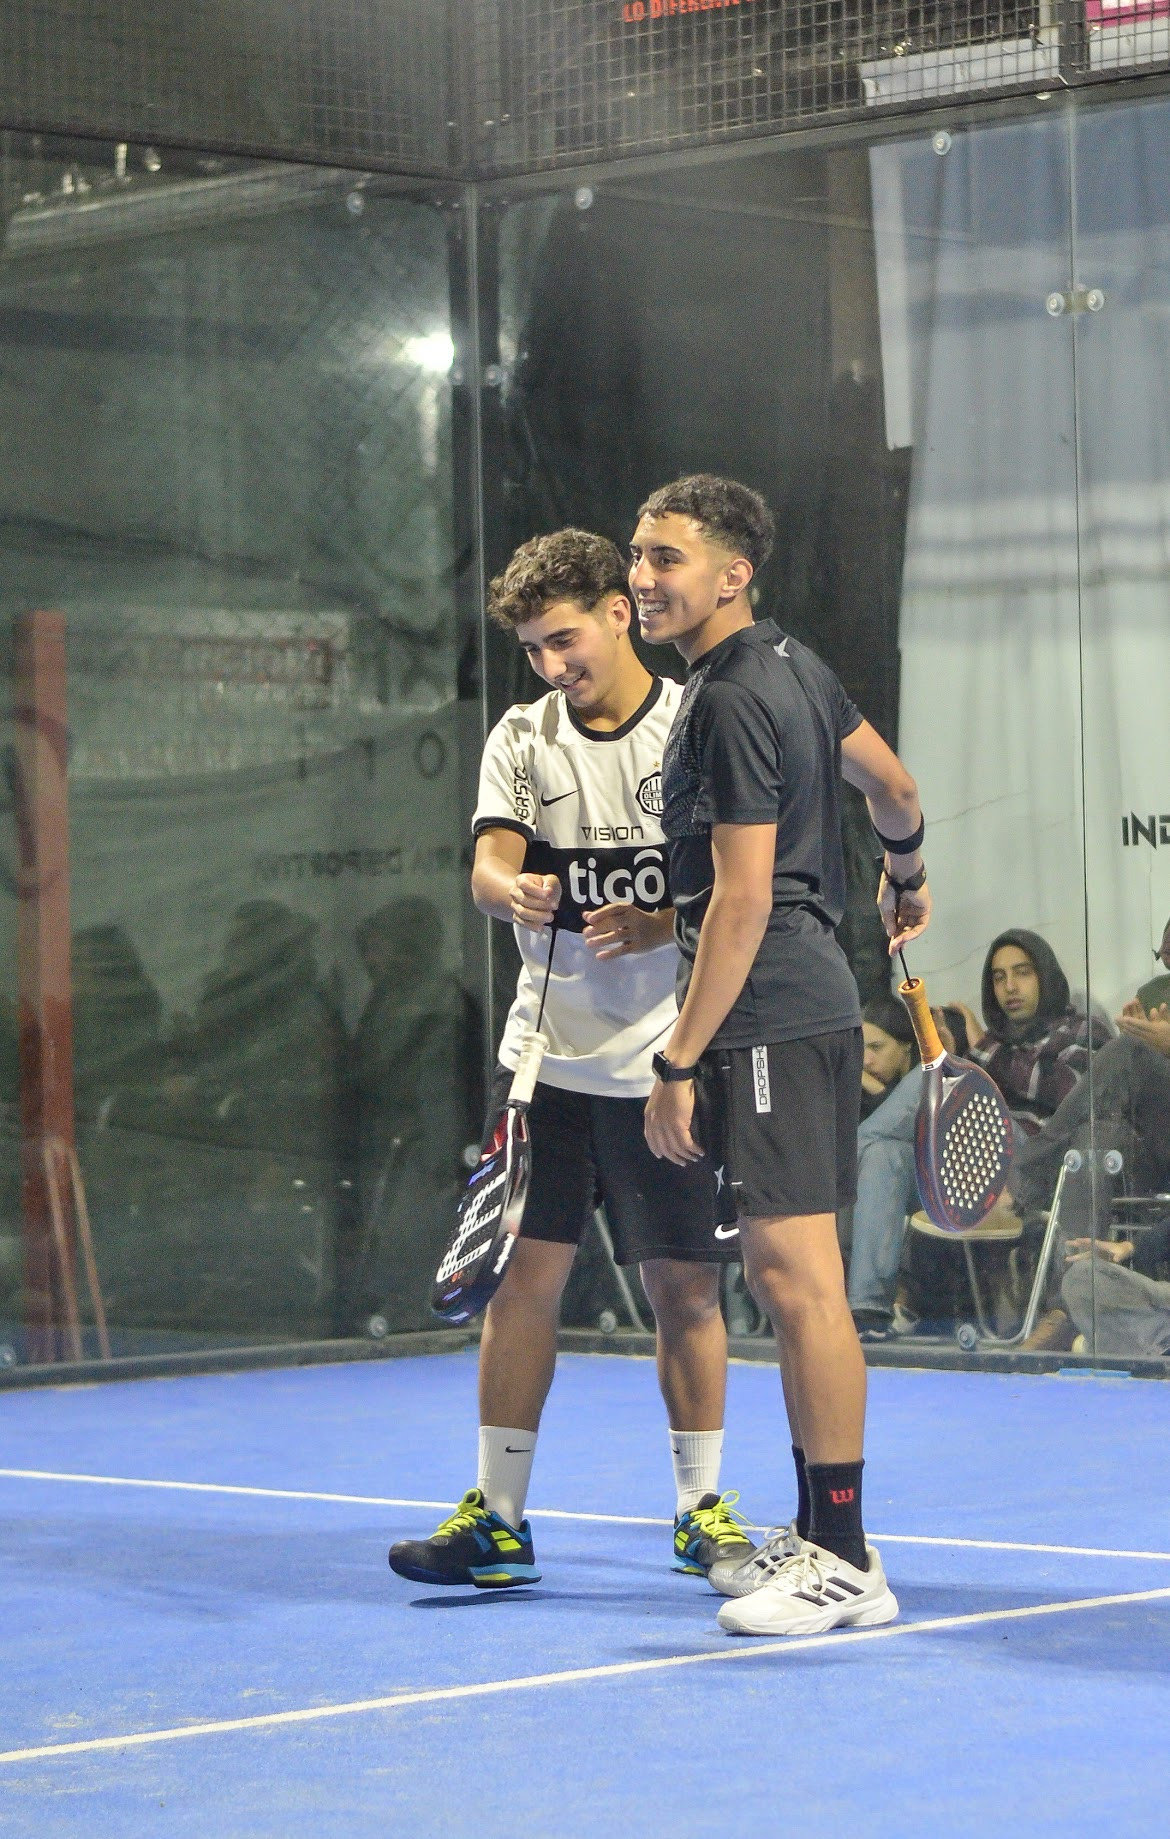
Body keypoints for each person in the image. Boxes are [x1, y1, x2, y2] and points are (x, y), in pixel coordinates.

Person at [388, 528, 750, 1592]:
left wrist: (661, 921)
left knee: (686, 1290)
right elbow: (487, 867)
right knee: (520, 1288)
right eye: (534, 649)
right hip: (544, 1069)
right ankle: (499, 1520)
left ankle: (700, 1510)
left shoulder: (692, 726)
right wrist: (518, 890)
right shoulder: (522, 736)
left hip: (667, 1070)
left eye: (564, 639)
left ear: (617, 613)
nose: (552, 664)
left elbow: (734, 888)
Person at [631, 474, 929, 1637]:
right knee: (781, 1276)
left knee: (800, 1283)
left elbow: (743, 900)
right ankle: (819, 1533)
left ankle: (845, 1557)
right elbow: (893, 787)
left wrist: (677, 1061)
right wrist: (906, 878)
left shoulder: (726, 698)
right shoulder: (797, 667)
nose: (643, 578)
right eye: (638, 557)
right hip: (805, 1003)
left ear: (732, 574)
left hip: (767, 1010)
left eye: (666, 558)